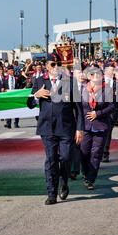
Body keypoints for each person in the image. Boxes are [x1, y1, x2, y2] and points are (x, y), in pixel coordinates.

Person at [27, 52, 84, 205]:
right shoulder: (39, 81)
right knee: (51, 160)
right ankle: (51, 193)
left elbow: (78, 108)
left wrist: (80, 129)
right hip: (47, 128)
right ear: (47, 66)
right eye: (53, 64)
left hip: (66, 128)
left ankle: (64, 181)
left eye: (59, 64)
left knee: (65, 158)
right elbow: (29, 104)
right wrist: (36, 95)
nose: (56, 67)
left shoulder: (70, 82)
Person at [80, 65, 115, 190]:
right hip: (85, 125)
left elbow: (112, 106)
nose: (99, 77)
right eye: (96, 75)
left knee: (96, 153)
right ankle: (85, 172)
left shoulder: (107, 89)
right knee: (84, 152)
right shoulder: (83, 89)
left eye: (100, 75)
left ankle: (91, 178)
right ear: (90, 77)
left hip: (101, 125)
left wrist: (98, 113)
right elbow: (78, 108)